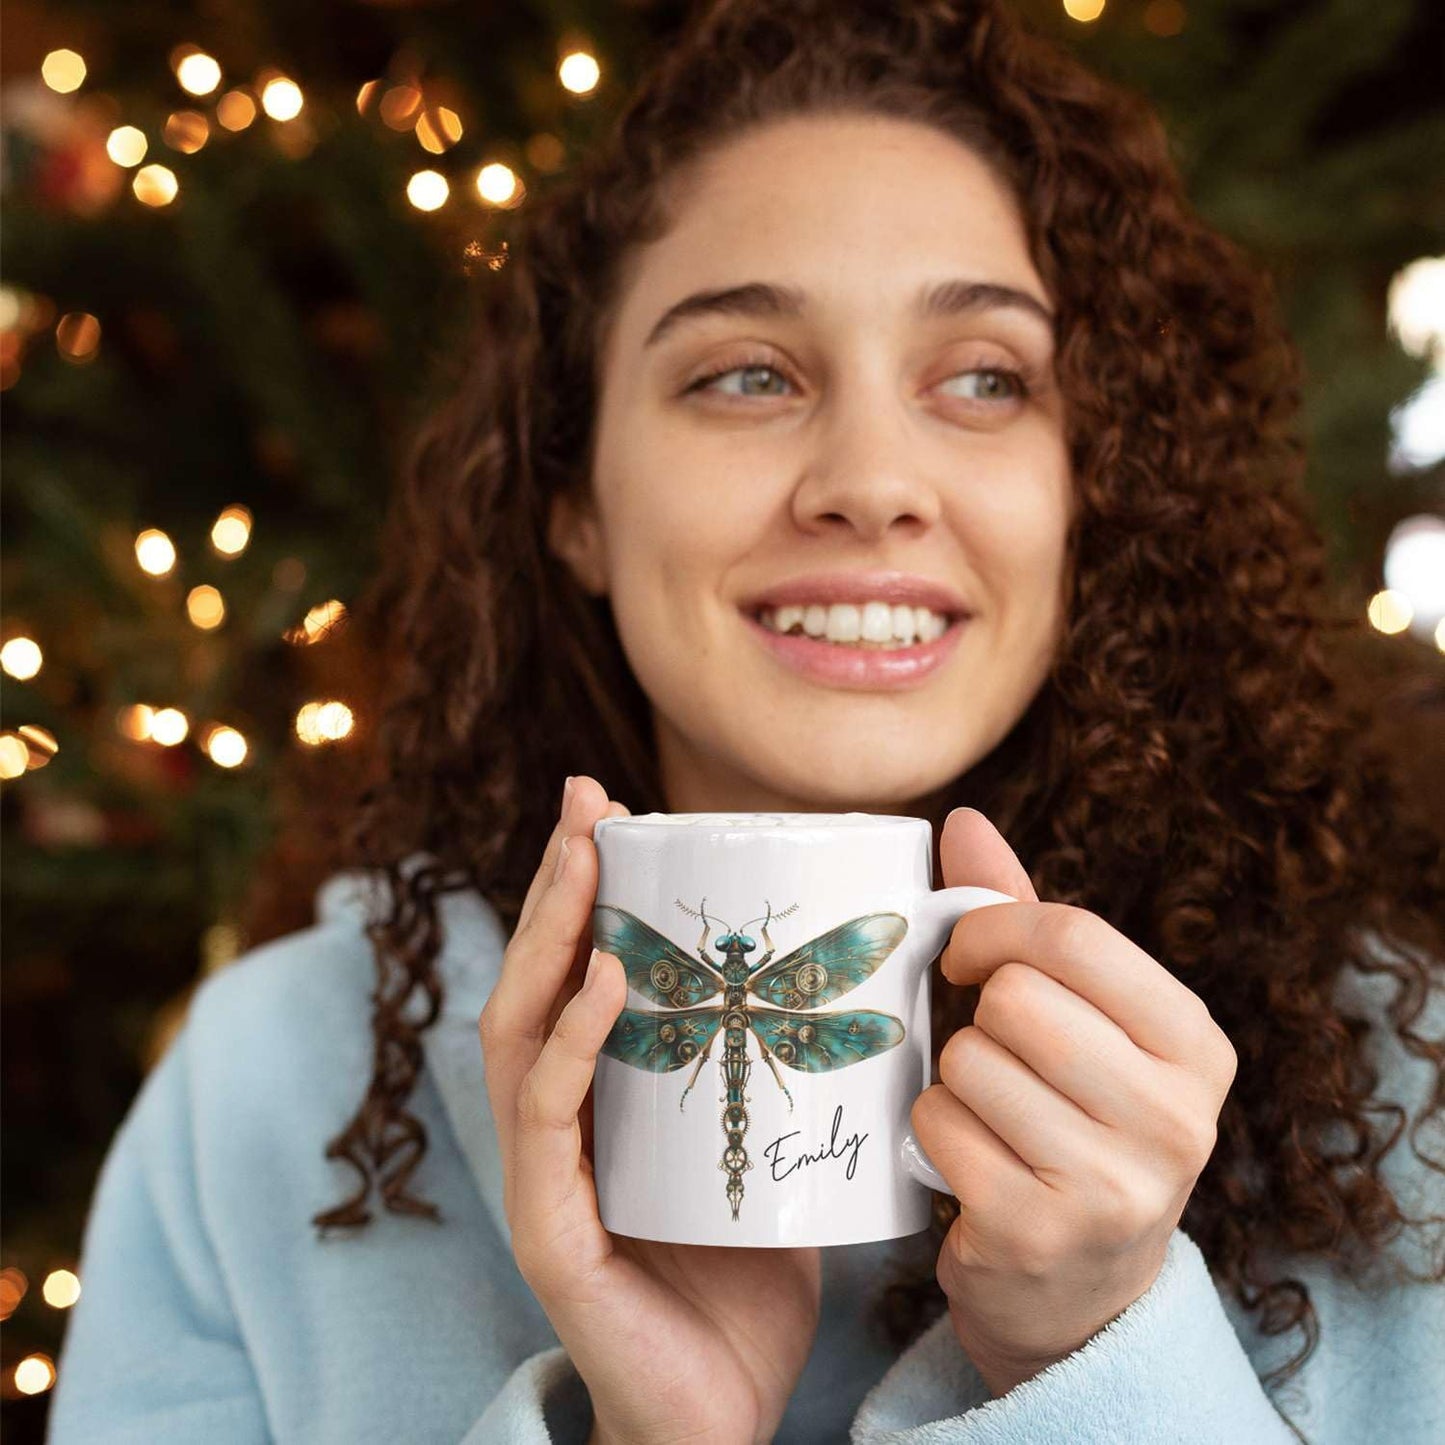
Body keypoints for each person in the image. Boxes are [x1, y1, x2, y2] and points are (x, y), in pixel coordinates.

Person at [47, 0, 1444, 1442]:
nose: (870, 478)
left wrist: (1097, 1356)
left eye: (984, 378)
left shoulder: (1387, 1096)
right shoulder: (272, 1090)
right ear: (573, 499)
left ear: (1097, 493)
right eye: (745, 375)